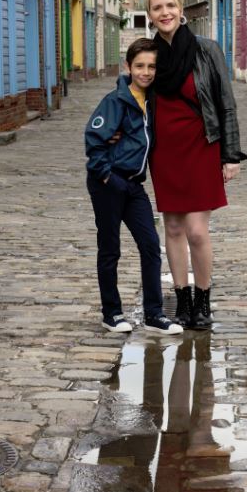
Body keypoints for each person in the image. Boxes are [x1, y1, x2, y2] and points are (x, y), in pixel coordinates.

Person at [145, 0, 247, 330]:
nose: (165, 13)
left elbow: (225, 103)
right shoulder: (148, 55)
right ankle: (183, 300)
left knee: (196, 231)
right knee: (172, 228)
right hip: (165, 152)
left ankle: (203, 299)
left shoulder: (207, 50)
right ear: (150, 15)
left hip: (202, 146)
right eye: (158, 8)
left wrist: (230, 154)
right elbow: (133, 97)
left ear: (182, 9)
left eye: (170, 6)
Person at [85, 37, 183, 336]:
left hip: (134, 185)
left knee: (151, 246)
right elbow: (93, 140)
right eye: (140, 65)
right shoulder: (115, 101)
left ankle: (154, 314)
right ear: (129, 67)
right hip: (108, 183)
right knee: (110, 248)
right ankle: (111, 313)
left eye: (152, 66)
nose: (146, 72)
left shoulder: (154, 101)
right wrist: (107, 177)